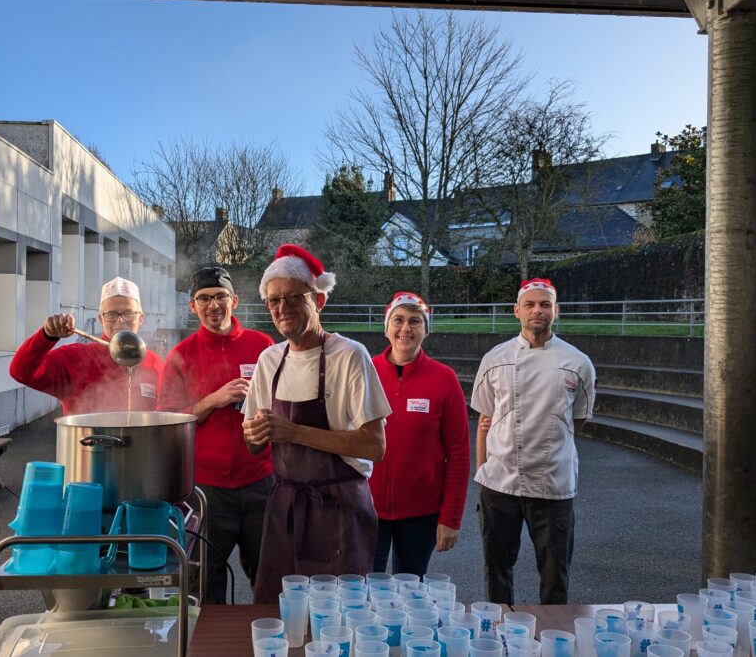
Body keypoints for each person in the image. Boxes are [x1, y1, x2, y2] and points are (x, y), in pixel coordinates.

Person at [241, 244, 391, 603]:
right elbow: (253, 444)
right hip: (286, 509)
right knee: (279, 612)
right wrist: (254, 434)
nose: (283, 308)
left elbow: (375, 446)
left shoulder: (349, 355)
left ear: (318, 301)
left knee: (338, 616)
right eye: (274, 301)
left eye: (294, 297)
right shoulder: (268, 360)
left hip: (339, 510)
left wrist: (294, 432)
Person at [471, 278, 595, 605]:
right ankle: (497, 635)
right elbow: (484, 420)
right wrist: (482, 471)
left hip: (553, 484)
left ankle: (553, 641)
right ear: (516, 311)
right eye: (530, 304)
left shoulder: (578, 363)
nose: (537, 310)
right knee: (496, 570)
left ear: (556, 311)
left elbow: (577, 420)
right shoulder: (494, 359)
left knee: (555, 575)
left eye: (544, 304)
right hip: (499, 484)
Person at [158, 267, 275, 604]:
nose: (213, 305)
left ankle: (267, 643)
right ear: (192, 307)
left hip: (260, 482)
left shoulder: (263, 345)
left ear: (234, 301)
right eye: (204, 299)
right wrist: (213, 400)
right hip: (207, 491)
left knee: (267, 578)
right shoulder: (181, 354)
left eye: (220, 297)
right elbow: (168, 422)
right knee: (205, 582)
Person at [369, 292, 470, 577]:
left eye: (415, 321)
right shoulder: (366, 371)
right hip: (367, 508)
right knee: (362, 592)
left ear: (426, 329)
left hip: (420, 514)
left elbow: (459, 455)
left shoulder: (443, 378)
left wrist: (451, 517)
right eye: (398, 320)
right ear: (387, 327)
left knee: (410, 594)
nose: (406, 329)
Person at [9, 276, 162, 414]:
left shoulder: (154, 363)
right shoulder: (74, 358)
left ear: (140, 318)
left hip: (143, 444)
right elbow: (21, 371)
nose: (120, 320)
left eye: (129, 313)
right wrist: (46, 336)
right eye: (111, 314)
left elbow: (167, 409)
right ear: (101, 319)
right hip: (87, 444)